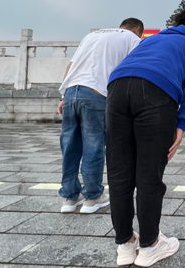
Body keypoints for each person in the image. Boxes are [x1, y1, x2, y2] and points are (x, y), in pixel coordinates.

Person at [106, 10, 185, 267]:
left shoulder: (151, 40)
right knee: (149, 173)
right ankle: (151, 245)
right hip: (155, 91)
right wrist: (182, 123)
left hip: (116, 89)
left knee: (119, 174)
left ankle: (125, 243)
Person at [57, 18, 144, 214]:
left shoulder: (92, 35)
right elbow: (133, 70)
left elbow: (71, 66)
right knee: (93, 146)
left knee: (69, 148)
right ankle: (92, 197)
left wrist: (64, 96)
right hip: (96, 94)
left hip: (71, 91)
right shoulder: (132, 39)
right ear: (137, 30)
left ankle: (69, 198)